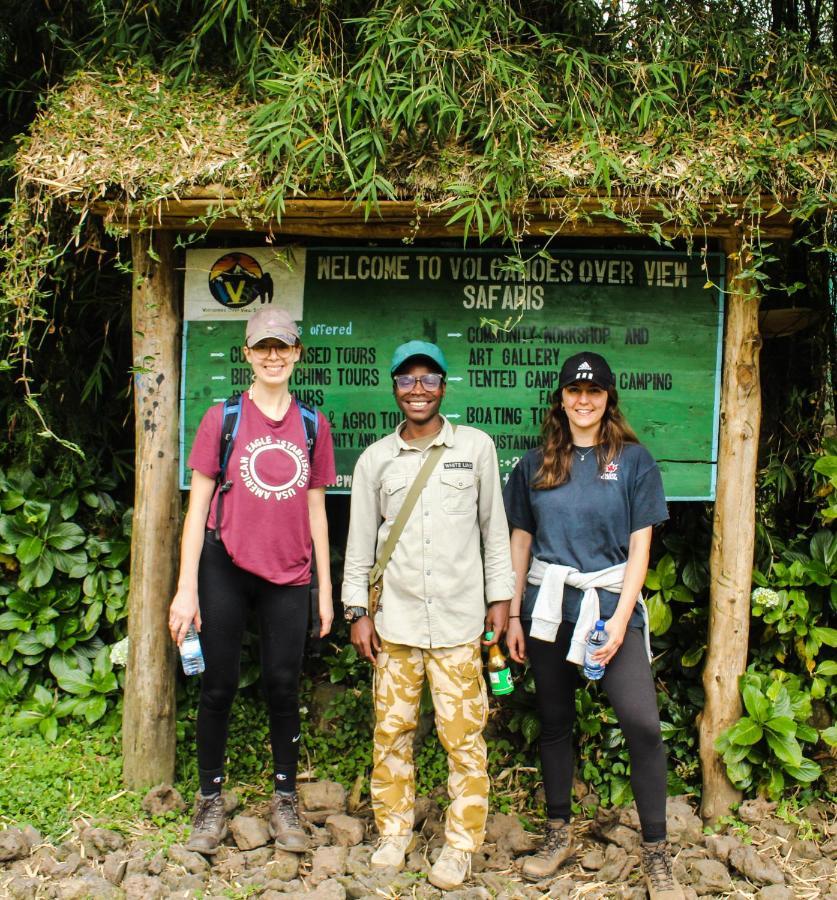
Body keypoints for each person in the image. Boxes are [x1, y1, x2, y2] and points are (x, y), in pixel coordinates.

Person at [503, 351, 683, 900]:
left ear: (608, 400)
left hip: (609, 605)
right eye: (574, 391)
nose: (584, 400)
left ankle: (656, 852)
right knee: (555, 722)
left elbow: (639, 549)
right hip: (549, 607)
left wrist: (619, 620)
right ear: (560, 399)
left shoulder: (633, 461)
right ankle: (557, 833)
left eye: (595, 392)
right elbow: (520, 543)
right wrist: (512, 612)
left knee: (643, 725)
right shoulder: (533, 465)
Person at [342, 340, 515, 891]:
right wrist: (356, 611)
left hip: (461, 624)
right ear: (394, 388)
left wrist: (501, 599)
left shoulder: (476, 447)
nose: (418, 389)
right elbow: (359, 546)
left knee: (463, 738)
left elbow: (494, 531)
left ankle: (461, 845)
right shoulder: (375, 460)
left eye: (429, 379)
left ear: (444, 387)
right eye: (407, 380)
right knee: (391, 732)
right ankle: (395, 832)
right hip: (394, 624)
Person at [168, 307, 336, 856]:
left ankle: (285, 798)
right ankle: (209, 800)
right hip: (225, 565)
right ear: (246, 353)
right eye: (262, 347)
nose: (272, 356)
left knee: (283, 687)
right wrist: (185, 588)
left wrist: (325, 591)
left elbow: (317, 511)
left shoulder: (313, 424)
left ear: (296, 354)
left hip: (289, 574)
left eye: (282, 347)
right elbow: (196, 510)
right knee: (217, 687)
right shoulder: (224, 418)